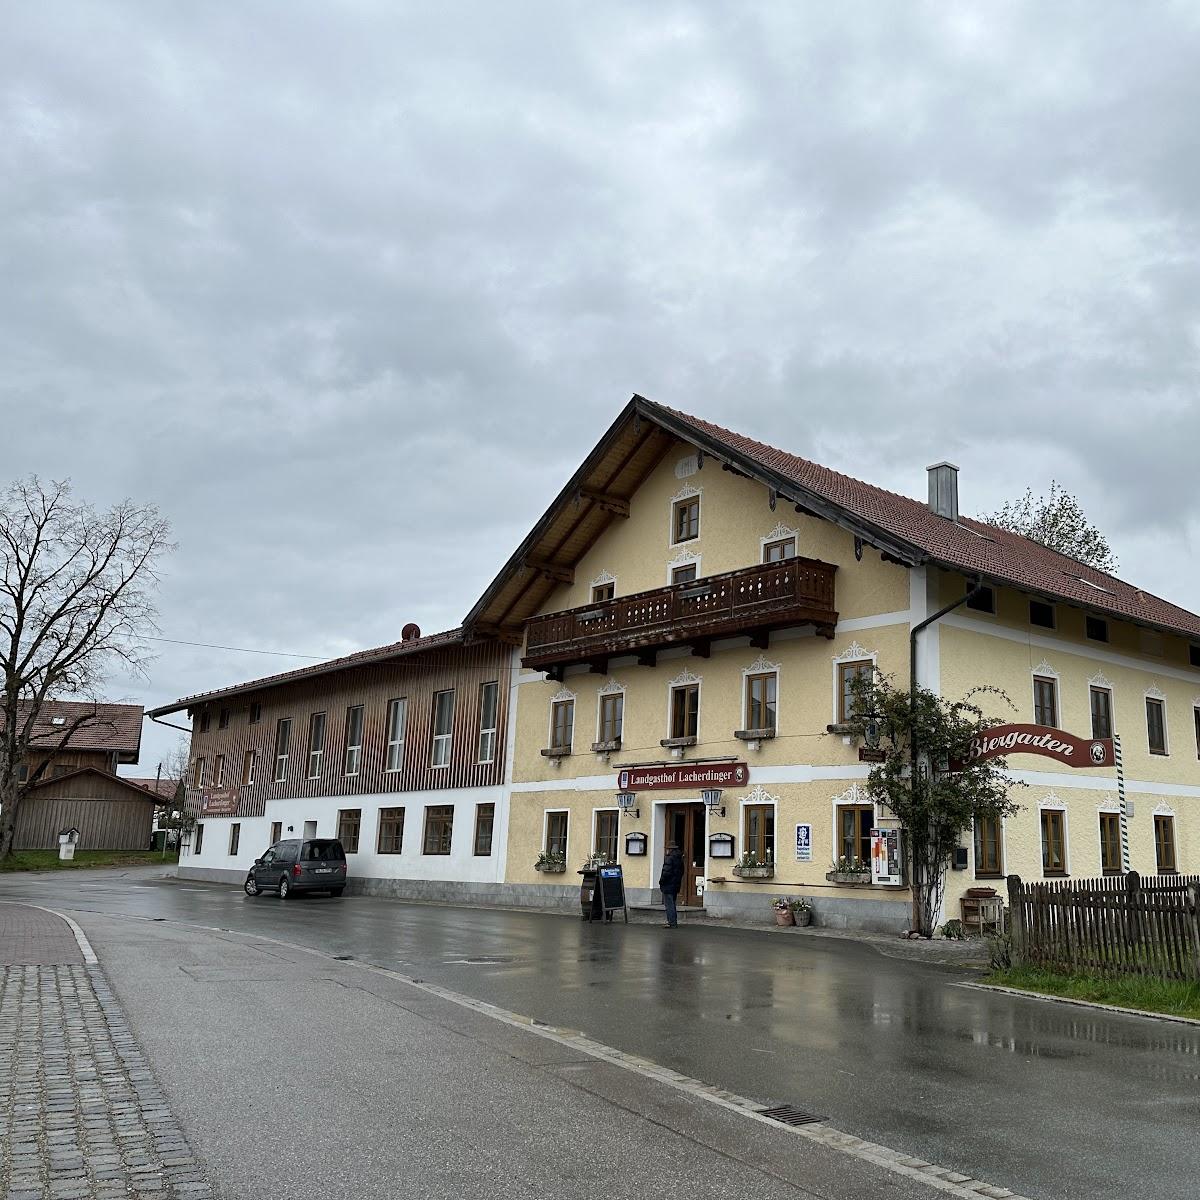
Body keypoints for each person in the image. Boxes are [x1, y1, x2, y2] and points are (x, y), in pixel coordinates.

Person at [659, 841, 684, 928]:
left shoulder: (669, 858)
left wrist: (661, 881)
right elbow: (681, 872)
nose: (666, 851)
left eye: (667, 849)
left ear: (670, 849)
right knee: (672, 903)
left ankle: (671, 922)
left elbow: (666, 873)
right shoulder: (679, 858)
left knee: (669, 905)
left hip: (668, 885)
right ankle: (673, 921)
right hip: (675, 884)